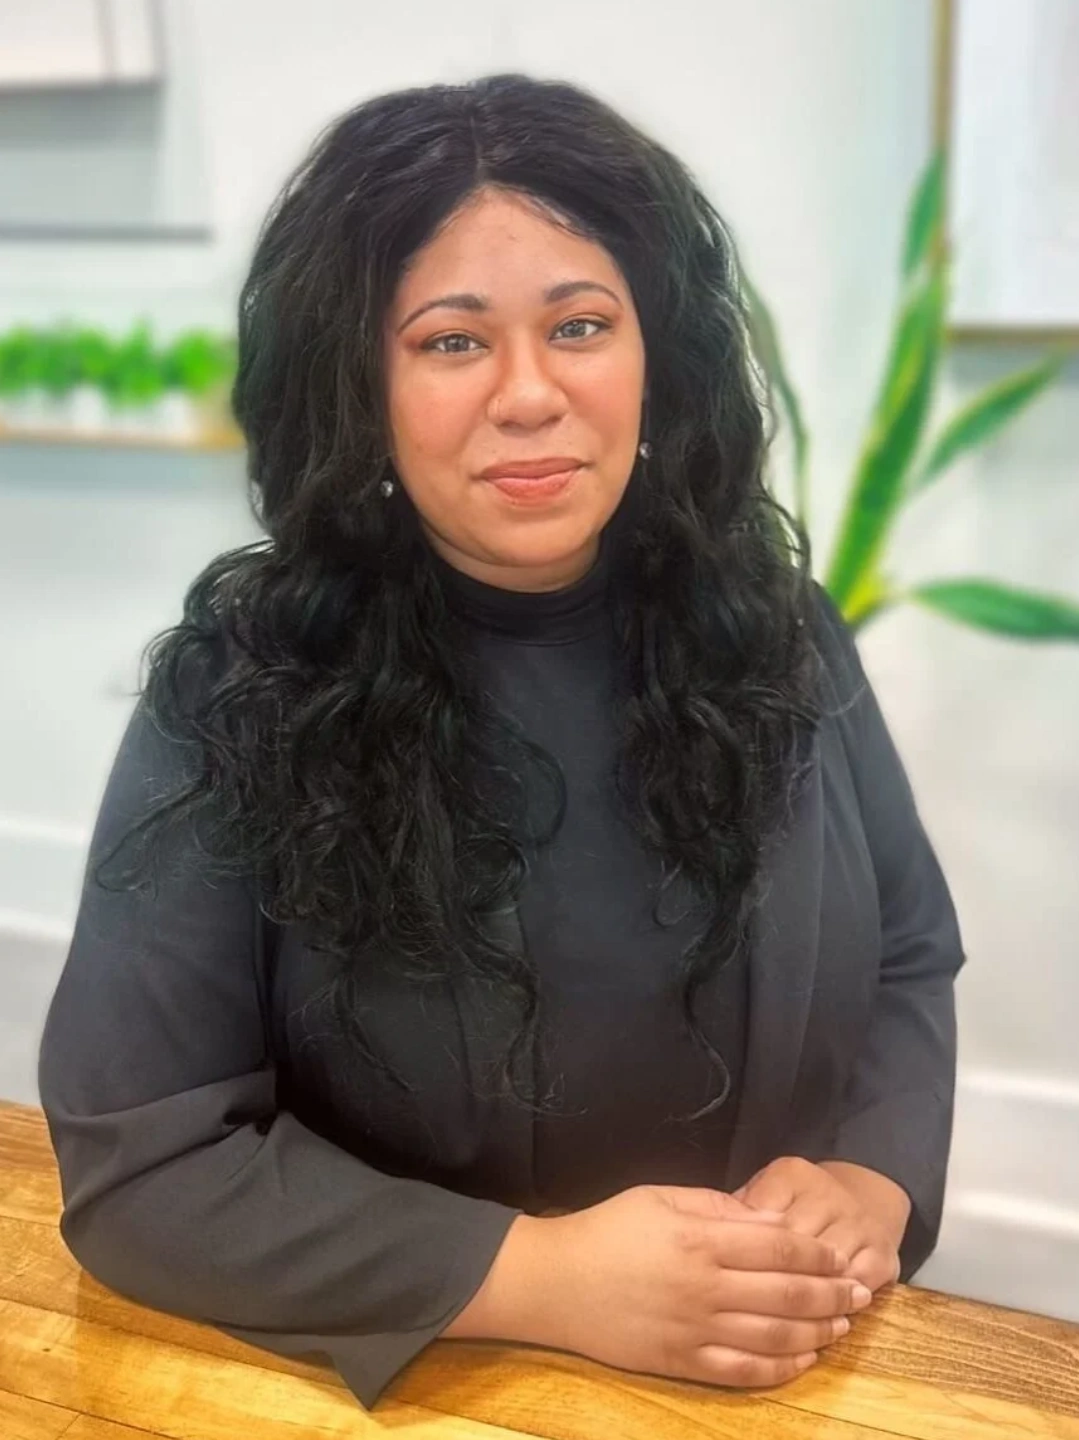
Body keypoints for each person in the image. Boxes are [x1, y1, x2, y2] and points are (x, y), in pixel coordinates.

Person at [37, 72, 966, 1412]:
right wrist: (542, 1278)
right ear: (360, 383)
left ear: (658, 359)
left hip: (772, 1369)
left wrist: (870, 1178)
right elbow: (145, 1165)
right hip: (445, 1384)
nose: (529, 395)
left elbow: (904, 958)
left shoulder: (780, 634)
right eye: (452, 342)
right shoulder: (247, 686)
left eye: (580, 325)